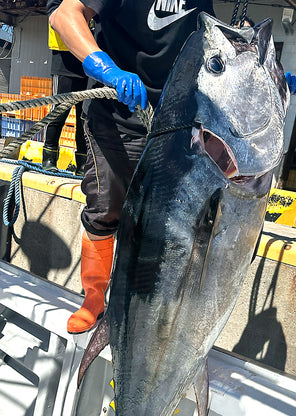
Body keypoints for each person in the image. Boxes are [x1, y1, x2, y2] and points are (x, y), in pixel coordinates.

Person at [49, 0, 215, 334]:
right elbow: (64, 15)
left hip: (174, 126)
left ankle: (144, 310)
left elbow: (207, 43)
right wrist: (104, 66)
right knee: (106, 211)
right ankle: (94, 298)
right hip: (116, 117)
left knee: (163, 225)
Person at [43, 8, 89, 175]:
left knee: (83, 118)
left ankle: (83, 163)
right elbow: (56, 19)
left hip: (87, 62)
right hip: (64, 62)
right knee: (59, 113)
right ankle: (49, 156)